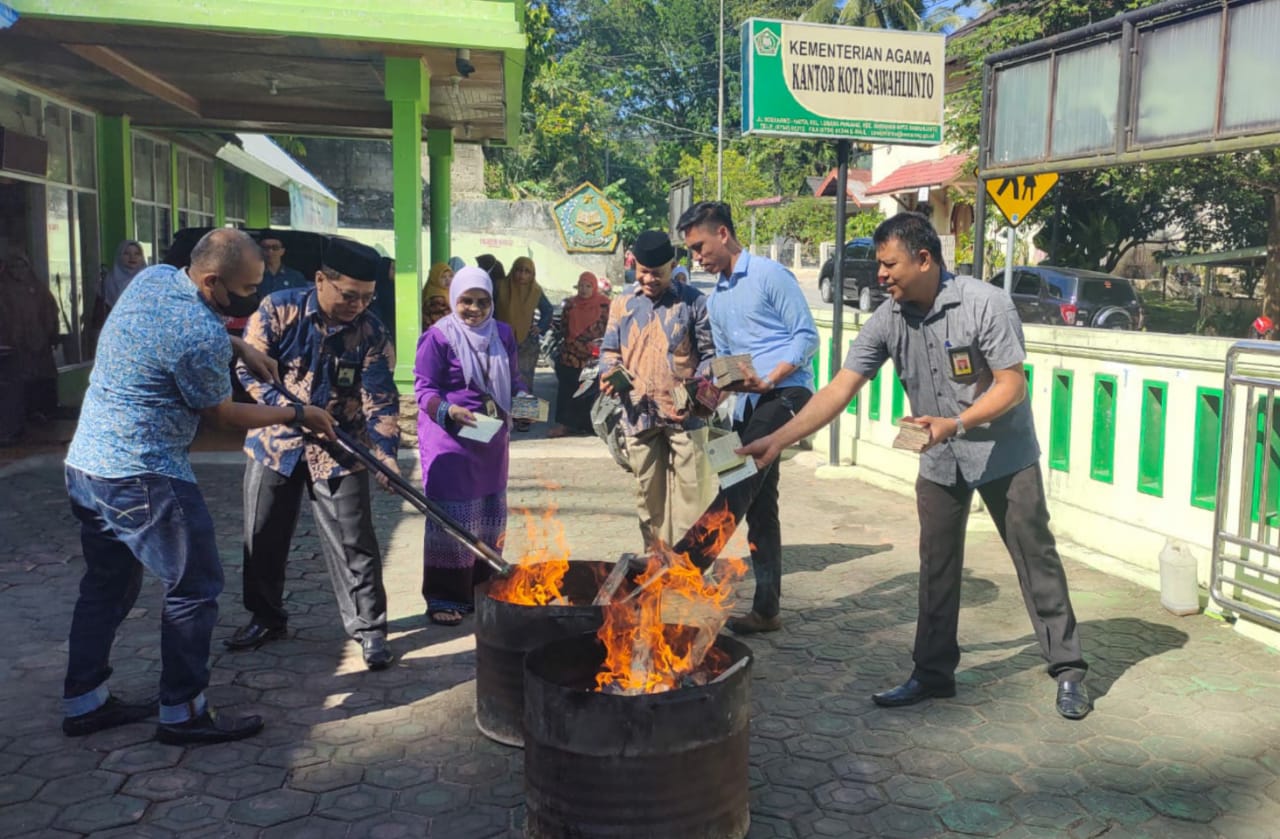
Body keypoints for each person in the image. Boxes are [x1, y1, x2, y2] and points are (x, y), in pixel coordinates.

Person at [738, 212, 1092, 720]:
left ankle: (1068, 668)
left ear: (924, 259)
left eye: (889, 265)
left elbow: (1012, 385)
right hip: (939, 456)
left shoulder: (984, 303)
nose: (880, 275)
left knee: (1034, 556)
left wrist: (957, 422)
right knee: (937, 566)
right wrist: (776, 440)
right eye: (879, 266)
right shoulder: (888, 318)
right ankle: (932, 674)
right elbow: (839, 387)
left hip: (1004, 455)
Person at [61, 228, 336, 745]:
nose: (253, 296)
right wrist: (299, 414)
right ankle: (183, 712)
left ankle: (84, 702)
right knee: (195, 586)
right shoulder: (197, 335)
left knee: (106, 586)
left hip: (87, 467)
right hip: (143, 473)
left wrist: (239, 344)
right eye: (245, 289)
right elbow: (223, 414)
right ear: (211, 281)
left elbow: (175, 331)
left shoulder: (155, 279)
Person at [223, 237, 400, 671]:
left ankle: (369, 629)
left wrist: (387, 454)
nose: (358, 306)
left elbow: (380, 398)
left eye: (367, 297)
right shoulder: (277, 309)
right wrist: (293, 413)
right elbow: (249, 370)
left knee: (355, 541)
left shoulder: (372, 331)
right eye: (349, 295)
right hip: (274, 443)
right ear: (321, 280)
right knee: (262, 535)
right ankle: (266, 617)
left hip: (341, 447)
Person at [677, 201, 818, 635]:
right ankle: (767, 609)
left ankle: (687, 562)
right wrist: (707, 395)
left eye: (699, 247)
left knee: (739, 475)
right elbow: (726, 363)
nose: (696, 258)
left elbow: (807, 336)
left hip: (786, 392)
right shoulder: (716, 299)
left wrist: (770, 378)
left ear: (723, 233)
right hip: (745, 404)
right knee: (760, 505)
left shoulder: (770, 275)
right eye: (691, 251)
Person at [414, 267, 529, 625]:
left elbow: (514, 379)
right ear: (454, 299)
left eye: (483, 302)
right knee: (453, 520)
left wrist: (526, 405)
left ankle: (483, 590)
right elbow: (424, 390)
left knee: (489, 518)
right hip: (450, 440)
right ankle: (445, 598)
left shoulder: (503, 333)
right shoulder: (438, 337)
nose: (474, 309)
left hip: (490, 439)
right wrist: (448, 411)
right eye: (466, 301)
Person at [599, 230, 716, 549]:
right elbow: (609, 350)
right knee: (648, 501)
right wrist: (609, 372)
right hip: (639, 416)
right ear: (634, 266)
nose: (649, 279)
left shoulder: (694, 302)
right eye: (643, 272)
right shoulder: (622, 303)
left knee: (694, 498)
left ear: (673, 267)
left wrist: (699, 387)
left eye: (658, 273)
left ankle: (689, 565)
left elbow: (710, 355)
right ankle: (656, 561)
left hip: (686, 418)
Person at [492, 255, 553, 429]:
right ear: (513, 270)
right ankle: (500, 418)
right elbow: (489, 309)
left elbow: (548, 310)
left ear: (532, 274)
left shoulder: (535, 291)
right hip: (500, 340)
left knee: (524, 381)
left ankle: (523, 420)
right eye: (519, 270)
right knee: (499, 379)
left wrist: (540, 327)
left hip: (526, 343)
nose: (522, 275)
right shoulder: (500, 286)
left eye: (527, 272)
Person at [0, 248, 60, 421]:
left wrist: (52, 333)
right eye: (14, 266)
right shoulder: (4, 289)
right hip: (13, 346)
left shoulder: (38, 288)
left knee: (41, 378)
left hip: (40, 344)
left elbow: (50, 311)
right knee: (19, 381)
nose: (19, 270)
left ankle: (43, 412)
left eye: (23, 266)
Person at [547, 271, 610, 438]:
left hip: (593, 355)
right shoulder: (570, 304)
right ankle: (564, 425)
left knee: (591, 391)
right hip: (571, 354)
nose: (584, 289)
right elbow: (564, 328)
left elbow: (608, 329)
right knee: (567, 389)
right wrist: (574, 345)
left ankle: (589, 426)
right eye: (581, 286)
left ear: (594, 287)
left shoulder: (604, 305)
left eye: (588, 286)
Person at [101, 239, 146, 310]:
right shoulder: (109, 280)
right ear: (120, 256)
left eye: (137, 254)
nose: (132, 257)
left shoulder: (149, 279)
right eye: (127, 253)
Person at [422, 262, 453, 327]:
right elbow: (442, 322)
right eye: (443, 277)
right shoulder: (437, 298)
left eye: (450, 276)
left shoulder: (445, 291)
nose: (448, 279)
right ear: (435, 278)